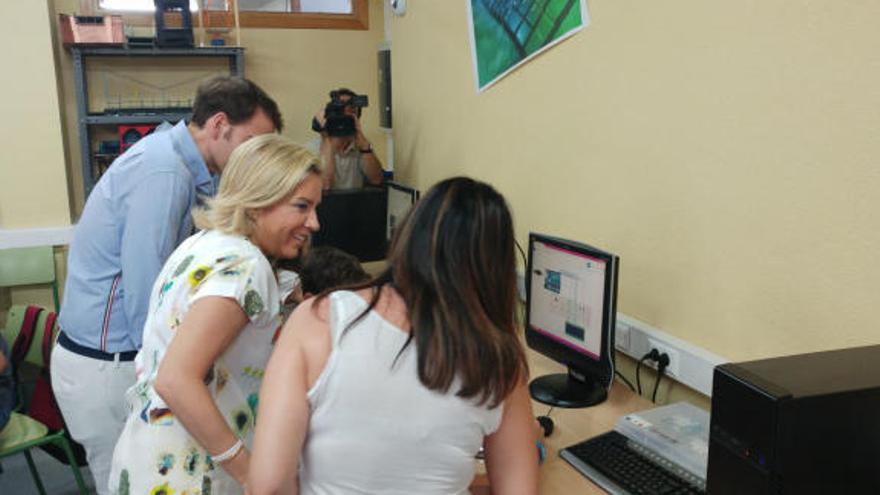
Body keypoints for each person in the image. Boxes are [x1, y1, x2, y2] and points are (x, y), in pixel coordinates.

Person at [53, 75, 283, 495]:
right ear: (218, 125)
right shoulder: (164, 172)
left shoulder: (187, 166)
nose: (256, 157)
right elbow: (148, 293)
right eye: (251, 142)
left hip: (121, 356)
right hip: (108, 361)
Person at [249, 177, 540, 494]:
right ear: (496, 269)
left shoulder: (317, 319)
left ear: (407, 236)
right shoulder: (500, 363)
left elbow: (269, 484)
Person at [107, 134, 321, 495]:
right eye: (301, 206)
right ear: (256, 203)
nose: (314, 223)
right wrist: (249, 473)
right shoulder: (244, 266)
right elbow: (176, 379)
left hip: (151, 456)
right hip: (192, 472)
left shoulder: (205, 243)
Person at [309, 87, 384, 189]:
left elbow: (377, 180)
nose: (343, 118)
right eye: (340, 112)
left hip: (355, 204)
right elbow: (325, 185)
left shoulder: (362, 147)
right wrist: (326, 138)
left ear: (357, 118)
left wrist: (365, 147)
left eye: (351, 111)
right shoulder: (311, 149)